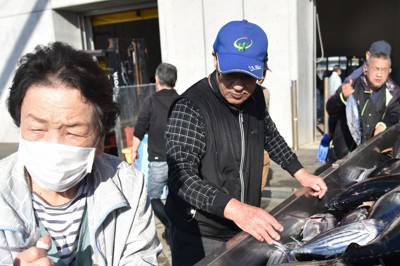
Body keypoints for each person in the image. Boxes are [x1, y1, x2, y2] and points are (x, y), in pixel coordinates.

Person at [164, 20, 328, 265]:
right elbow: (182, 178)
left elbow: (270, 136)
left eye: (249, 76)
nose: (239, 86)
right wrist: (235, 209)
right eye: (231, 75)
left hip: (244, 226)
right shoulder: (190, 107)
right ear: (215, 59)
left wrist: (301, 173)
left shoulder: (256, 98)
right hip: (200, 232)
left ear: (263, 69)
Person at [0, 42, 161, 264]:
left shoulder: (128, 185)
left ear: (100, 140)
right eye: (37, 129)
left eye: (73, 132)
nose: (53, 145)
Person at [131, 62, 179, 242]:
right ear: (175, 80)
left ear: (157, 80)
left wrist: (134, 151)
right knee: (176, 197)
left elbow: (140, 128)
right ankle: (174, 227)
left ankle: (169, 224)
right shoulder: (182, 100)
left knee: (153, 198)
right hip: (178, 161)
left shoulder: (150, 101)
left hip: (158, 160)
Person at [326, 52, 400, 162]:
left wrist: (383, 125)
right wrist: (341, 97)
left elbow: (395, 114)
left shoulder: (394, 92)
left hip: (374, 158)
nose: (379, 74)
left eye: (384, 70)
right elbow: (330, 108)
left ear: (389, 71)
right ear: (366, 68)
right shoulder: (350, 85)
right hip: (344, 156)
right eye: (376, 69)